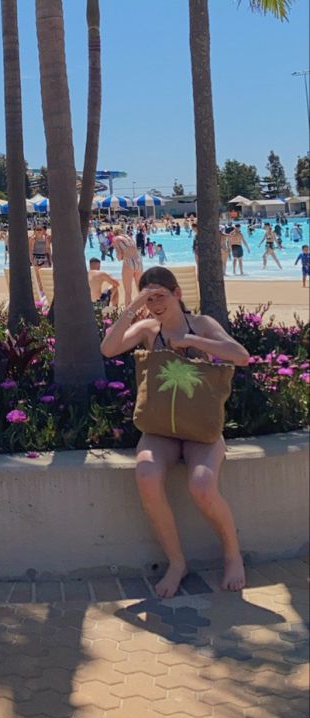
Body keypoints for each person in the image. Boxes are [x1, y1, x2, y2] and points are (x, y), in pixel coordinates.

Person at [101, 266, 249, 599]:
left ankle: (232, 554)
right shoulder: (148, 329)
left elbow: (241, 357)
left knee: (202, 485)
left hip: (201, 428)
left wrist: (191, 341)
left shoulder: (201, 324)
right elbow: (108, 349)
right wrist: (132, 306)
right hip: (160, 428)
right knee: (146, 474)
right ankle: (177, 562)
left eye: (160, 296)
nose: (155, 305)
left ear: (177, 294)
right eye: (148, 298)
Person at [112, 230, 142, 306]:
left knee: (128, 292)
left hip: (129, 262)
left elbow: (119, 256)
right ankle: (145, 311)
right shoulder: (129, 237)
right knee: (141, 290)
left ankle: (128, 314)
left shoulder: (115, 239)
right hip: (138, 262)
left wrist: (119, 256)